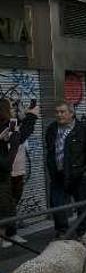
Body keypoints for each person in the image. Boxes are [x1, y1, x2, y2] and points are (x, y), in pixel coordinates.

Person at [44, 102, 86, 238]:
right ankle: (62, 232)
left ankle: (83, 232)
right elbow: (50, 151)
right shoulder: (52, 129)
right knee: (57, 204)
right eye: (57, 112)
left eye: (62, 112)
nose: (59, 115)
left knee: (82, 205)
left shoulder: (82, 129)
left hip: (77, 175)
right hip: (57, 175)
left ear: (71, 113)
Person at [0, 99, 39, 247]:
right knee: (6, 205)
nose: (14, 109)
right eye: (11, 107)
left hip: (17, 170)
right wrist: (31, 117)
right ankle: (5, 236)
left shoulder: (13, 122)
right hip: (7, 171)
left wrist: (28, 116)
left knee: (11, 204)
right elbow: (20, 137)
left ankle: (11, 233)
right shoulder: (8, 125)